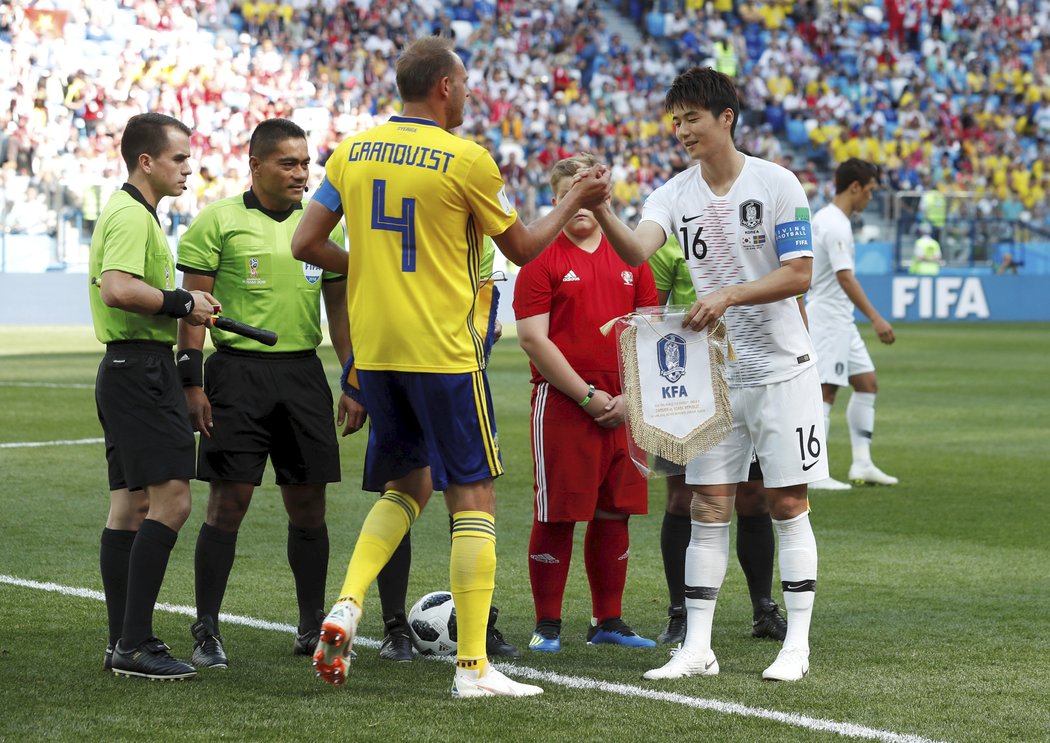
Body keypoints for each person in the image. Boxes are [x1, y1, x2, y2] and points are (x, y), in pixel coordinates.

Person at [289, 36, 610, 698]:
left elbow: (306, 243)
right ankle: (473, 668)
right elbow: (520, 244)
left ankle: (348, 601)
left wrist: (372, 267)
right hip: (444, 349)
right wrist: (575, 198)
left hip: (376, 352)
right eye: (464, 83)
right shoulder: (466, 158)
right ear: (443, 87)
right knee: (475, 494)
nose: (469, 94)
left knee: (407, 485)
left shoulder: (352, 151)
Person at [590, 66, 824, 682]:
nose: (682, 131)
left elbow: (799, 274)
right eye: (676, 121)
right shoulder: (674, 193)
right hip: (715, 377)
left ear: (726, 117)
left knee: (786, 501)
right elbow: (638, 251)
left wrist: (728, 297)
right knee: (708, 506)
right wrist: (603, 209)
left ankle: (795, 645)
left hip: (781, 371)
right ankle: (698, 648)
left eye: (693, 118)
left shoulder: (777, 183)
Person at [173, 118, 361, 670]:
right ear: (255, 165)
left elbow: (341, 311)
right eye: (288, 163)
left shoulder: (322, 226)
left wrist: (352, 375)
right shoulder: (218, 222)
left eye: (306, 163)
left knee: (309, 504)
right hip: (236, 375)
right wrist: (192, 381)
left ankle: (309, 628)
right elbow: (192, 313)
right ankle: (206, 628)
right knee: (228, 503)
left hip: (303, 373)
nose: (302, 173)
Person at [89, 112, 218, 680]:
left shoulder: (132, 213)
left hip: (126, 370)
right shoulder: (131, 216)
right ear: (147, 161)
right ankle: (135, 643)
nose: (188, 169)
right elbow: (118, 288)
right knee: (174, 501)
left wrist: (183, 304)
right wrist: (182, 302)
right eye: (179, 159)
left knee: (130, 505)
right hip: (139, 371)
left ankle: (123, 639)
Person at [514, 153, 658, 654]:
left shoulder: (631, 256)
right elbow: (533, 339)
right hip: (565, 401)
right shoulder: (539, 255)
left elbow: (650, 330)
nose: (582, 201)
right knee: (558, 512)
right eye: (570, 192)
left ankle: (608, 620)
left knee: (615, 511)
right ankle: (547, 624)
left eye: (591, 190)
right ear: (555, 200)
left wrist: (628, 395)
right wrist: (589, 395)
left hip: (625, 400)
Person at [647, 236, 787, 645]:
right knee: (682, 498)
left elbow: (789, 296)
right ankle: (680, 613)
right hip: (687, 378)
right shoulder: (669, 237)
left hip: (750, 372)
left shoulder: (755, 229)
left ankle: (763, 608)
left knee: (754, 495)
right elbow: (652, 312)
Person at [807, 158, 898, 489]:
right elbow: (845, 277)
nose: (870, 199)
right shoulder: (836, 224)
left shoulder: (825, 219)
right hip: (830, 317)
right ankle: (814, 471)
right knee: (826, 390)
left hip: (837, 316)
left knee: (867, 382)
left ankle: (862, 463)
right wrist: (876, 318)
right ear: (855, 187)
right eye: (870, 191)